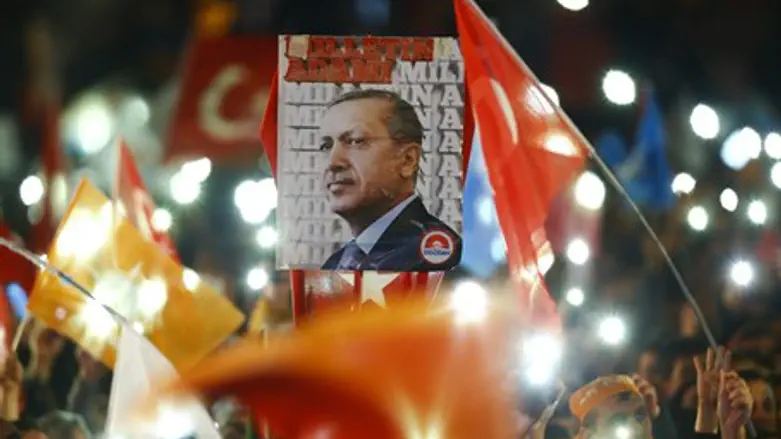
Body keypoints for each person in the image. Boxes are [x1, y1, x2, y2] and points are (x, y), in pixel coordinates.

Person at [318, 89, 462, 271]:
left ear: (407, 160)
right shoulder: (334, 264)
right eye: (326, 146)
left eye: (356, 141)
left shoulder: (440, 258)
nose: (333, 162)